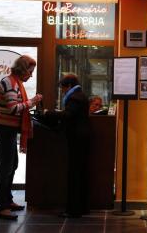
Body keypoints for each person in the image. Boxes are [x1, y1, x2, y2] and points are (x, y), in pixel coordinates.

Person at [0, 55, 43, 220]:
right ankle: (2, 206)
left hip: (9, 130)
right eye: (30, 71)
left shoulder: (15, 82)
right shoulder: (9, 83)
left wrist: (30, 102)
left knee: (11, 165)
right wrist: (33, 101)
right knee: (6, 167)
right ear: (22, 70)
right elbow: (13, 109)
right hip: (5, 129)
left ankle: (7, 201)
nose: (31, 75)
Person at [44, 74, 91, 218]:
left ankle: (73, 210)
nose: (62, 91)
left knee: (75, 173)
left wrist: (49, 113)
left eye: (63, 88)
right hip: (82, 137)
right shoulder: (80, 95)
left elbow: (68, 115)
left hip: (77, 138)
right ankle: (81, 207)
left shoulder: (74, 97)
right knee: (80, 172)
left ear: (69, 86)